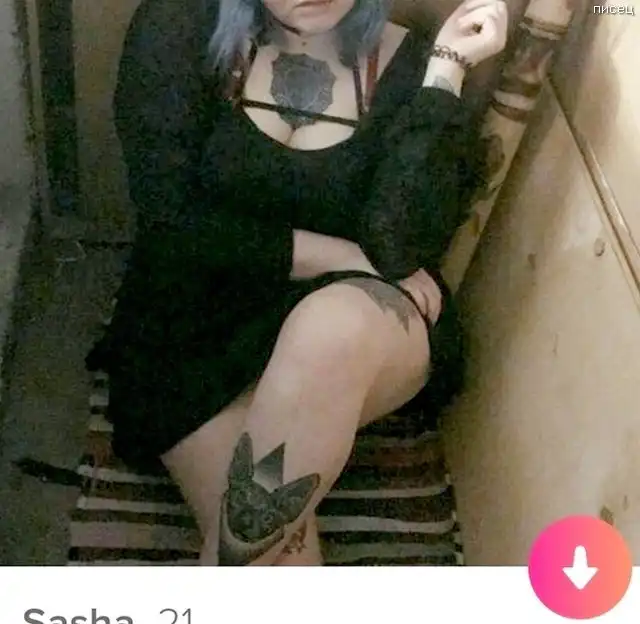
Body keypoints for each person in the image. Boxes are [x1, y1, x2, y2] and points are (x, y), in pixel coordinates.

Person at [95, 0, 508, 565]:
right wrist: (342, 254)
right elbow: (169, 221)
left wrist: (445, 72)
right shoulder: (179, 25)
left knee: (328, 333)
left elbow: (397, 250)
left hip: (352, 324)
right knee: (273, 566)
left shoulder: (406, 60)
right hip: (198, 326)